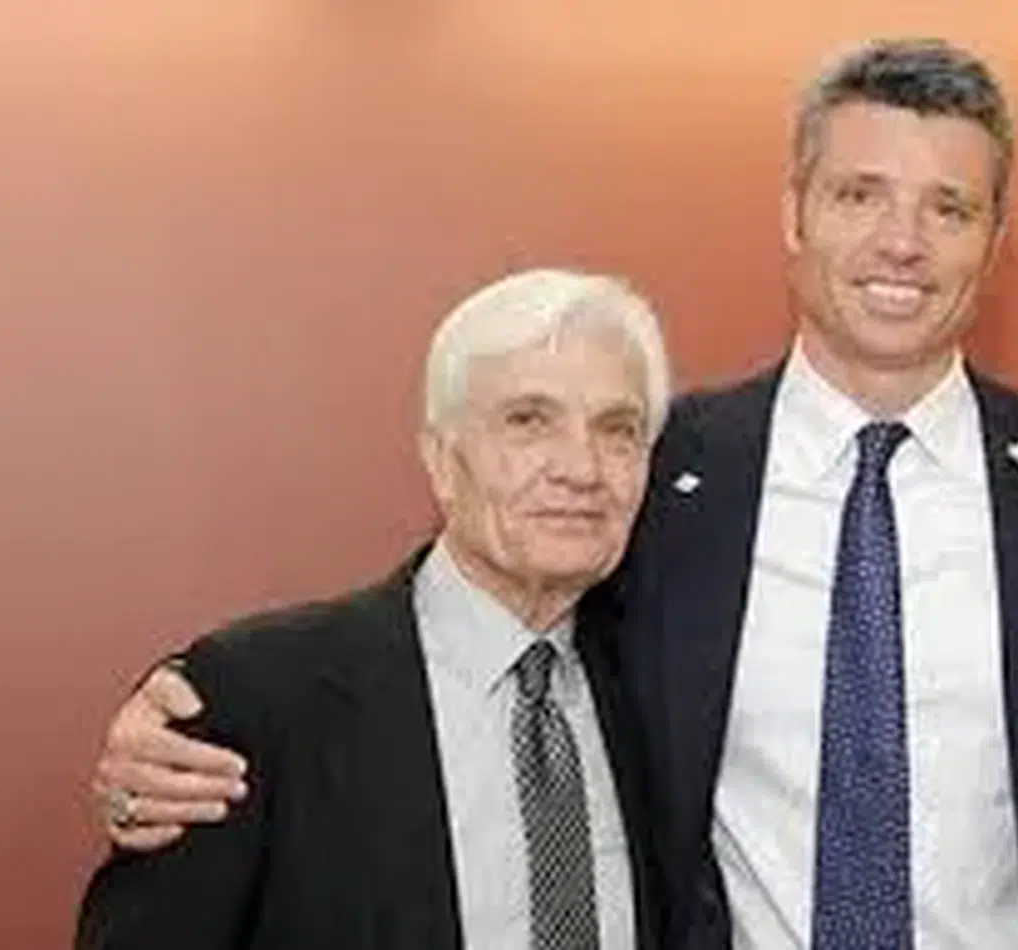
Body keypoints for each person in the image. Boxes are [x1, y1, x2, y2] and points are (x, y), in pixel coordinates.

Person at [85, 38, 1018, 950]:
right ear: (794, 213)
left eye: (948, 207)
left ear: (995, 240)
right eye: (859, 195)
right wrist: (175, 708)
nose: (902, 242)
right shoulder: (660, 467)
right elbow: (468, 612)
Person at [75, 267, 671, 950]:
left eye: (618, 430)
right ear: (442, 461)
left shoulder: (667, 695)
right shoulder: (257, 704)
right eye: (529, 422)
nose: (582, 469)